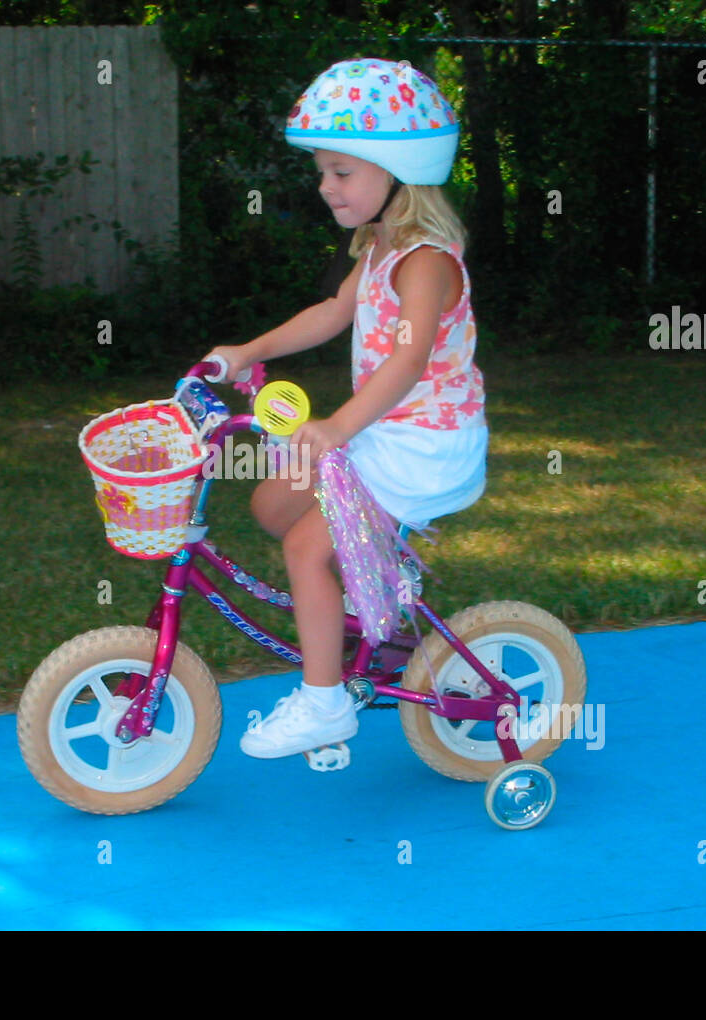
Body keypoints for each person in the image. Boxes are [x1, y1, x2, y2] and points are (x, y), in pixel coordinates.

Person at [204, 57, 489, 759]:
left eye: (342, 171)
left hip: (426, 445)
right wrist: (247, 349)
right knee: (274, 506)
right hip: (385, 432)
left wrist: (334, 427)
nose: (326, 186)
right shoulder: (383, 243)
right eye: (323, 170)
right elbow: (334, 311)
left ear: (397, 170)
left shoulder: (427, 260)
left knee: (306, 546)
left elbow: (409, 358)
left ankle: (325, 703)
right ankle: (376, 605)